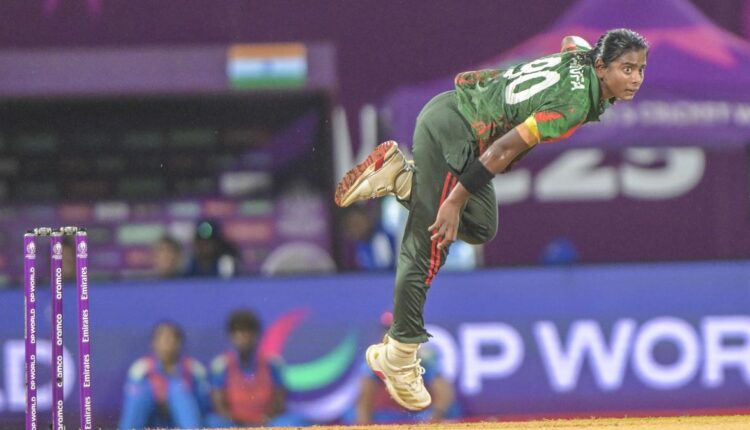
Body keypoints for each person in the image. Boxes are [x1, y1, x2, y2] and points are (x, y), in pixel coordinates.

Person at [334, 29, 648, 410]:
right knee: (430, 241)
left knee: (482, 225)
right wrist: (453, 202)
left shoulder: (581, 58)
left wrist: (576, 54)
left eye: (640, 69)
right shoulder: (574, 105)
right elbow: (503, 149)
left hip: (458, 118)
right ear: (600, 67)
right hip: (457, 132)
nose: (635, 78)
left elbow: (572, 40)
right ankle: (399, 355)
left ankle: (400, 178)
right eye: (626, 69)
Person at [343, 311, 460, 425]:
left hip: (419, 414)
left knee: (452, 409)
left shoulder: (423, 358)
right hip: (387, 414)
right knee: (352, 415)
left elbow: (444, 392)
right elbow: (364, 397)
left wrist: (434, 416)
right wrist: (364, 422)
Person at [207, 309, 308, 427]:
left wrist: (264, 421)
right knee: (213, 422)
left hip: (267, 423)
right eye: (239, 335)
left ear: (257, 336)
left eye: (247, 335)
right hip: (234, 424)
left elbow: (279, 403)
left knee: (293, 421)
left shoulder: (273, 364)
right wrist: (241, 424)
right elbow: (219, 407)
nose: (244, 340)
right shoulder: (221, 366)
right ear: (231, 338)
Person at [119, 321, 212, 429]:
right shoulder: (140, 369)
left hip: (185, 422)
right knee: (141, 393)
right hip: (152, 421)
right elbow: (133, 406)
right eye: (162, 338)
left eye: (171, 338)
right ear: (153, 343)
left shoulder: (194, 369)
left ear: (180, 343)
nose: (167, 342)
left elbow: (203, 405)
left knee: (179, 390)